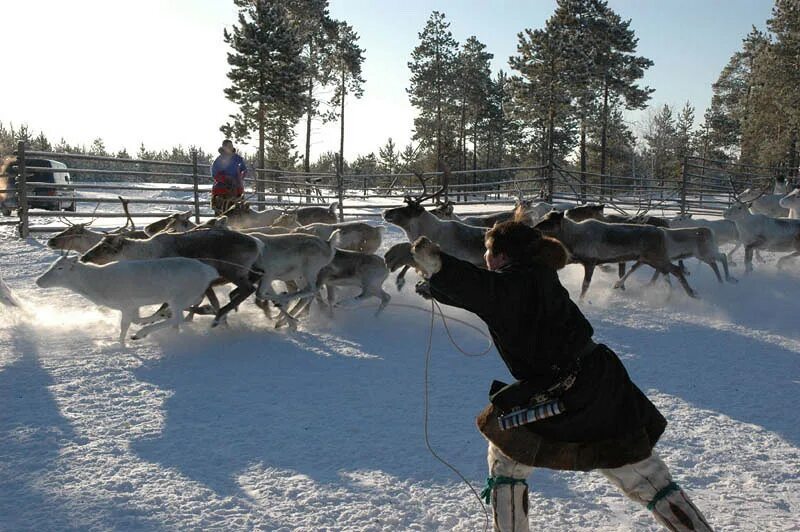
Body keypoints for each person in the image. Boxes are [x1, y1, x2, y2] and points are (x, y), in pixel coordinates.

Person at [405, 222, 713, 532]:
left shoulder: (515, 284)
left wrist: (439, 264)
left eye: (488, 252)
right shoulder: (534, 275)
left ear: (502, 256)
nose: (485, 258)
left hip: (574, 389)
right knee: (642, 474)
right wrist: (438, 284)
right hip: (595, 381)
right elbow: (487, 294)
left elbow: (486, 290)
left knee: (637, 473)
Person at [211, 139, 247, 215]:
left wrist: (240, 176)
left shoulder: (238, 159)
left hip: (237, 189)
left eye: (231, 146)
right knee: (221, 213)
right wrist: (225, 178)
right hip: (222, 190)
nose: (230, 148)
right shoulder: (219, 160)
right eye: (228, 146)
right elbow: (214, 173)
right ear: (223, 147)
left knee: (239, 213)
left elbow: (244, 170)